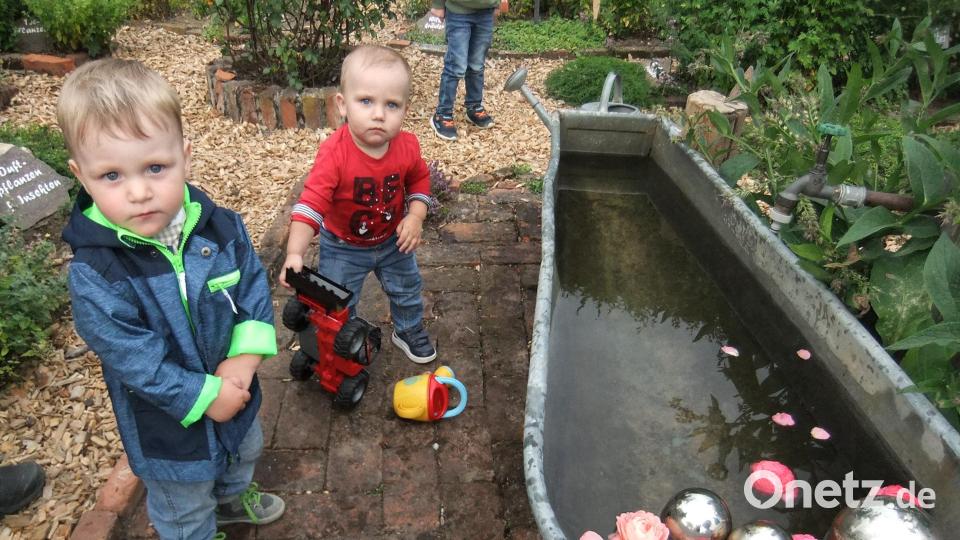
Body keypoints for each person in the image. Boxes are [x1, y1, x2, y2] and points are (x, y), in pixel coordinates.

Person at [58, 58, 284, 540]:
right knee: (183, 506)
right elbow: (134, 362)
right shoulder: (97, 273)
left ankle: (231, 501)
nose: (139, 191)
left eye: (156, 167)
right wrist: (205, 396)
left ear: (184, 154)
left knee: (242, 452)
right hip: (167, 426)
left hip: (236, 392)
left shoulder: (221, 229)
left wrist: (243, 362)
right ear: (81, 176)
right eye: (111, 176)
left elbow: (252, 291)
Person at [281, 45, 437, 364]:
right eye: (366, 101)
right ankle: (343, 340)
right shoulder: (335, 154)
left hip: (393, 241)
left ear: (405, 109)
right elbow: (311, 204)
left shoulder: (406, 147)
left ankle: (407, 329)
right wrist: (295, 253)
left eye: (391, 104)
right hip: (343, 246)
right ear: (343, 104)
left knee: (407, 288)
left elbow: (420, 180)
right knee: (337, 300)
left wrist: (416, 215)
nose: (378, 114)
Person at [429, 0, 508, 141]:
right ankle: (442, 114)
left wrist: (498, 3)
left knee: (477, 64)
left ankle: (474, 107)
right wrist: (438, 5)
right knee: (456, 66)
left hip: (485, 12)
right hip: (459, 12)